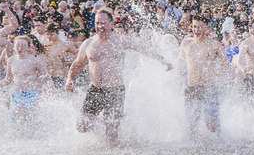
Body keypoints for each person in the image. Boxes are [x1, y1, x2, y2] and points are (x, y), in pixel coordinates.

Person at [65, 9, 173, 145]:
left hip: (115, 91)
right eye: (98, 23)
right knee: (81, 125)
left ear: (111, 23)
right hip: (95, 90)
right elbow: (77, 64)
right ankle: (101, 129)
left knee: (112, 135)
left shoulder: (120, 41)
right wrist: (69, 79)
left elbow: (142, 47)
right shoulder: (89, 43)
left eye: (103, 23)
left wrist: (162, 59)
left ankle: (113, 153)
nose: (100, 26)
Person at [178, 17, 231, 137]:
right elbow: (179, 64)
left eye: (200, 26)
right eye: (194, 26)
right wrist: (179, 81)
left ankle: (220, 141)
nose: (197, 29)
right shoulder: (186, 43)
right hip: (191, 88)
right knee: (191, 124)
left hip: (209, 88)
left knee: (212, 125)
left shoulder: (214, 44)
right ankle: (193, 148)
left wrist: (229, 75)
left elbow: (225, 63)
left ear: (207, 28)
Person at [0, 35, 52, 124]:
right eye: (18, 46)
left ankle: (31, 130)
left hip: (31, 94)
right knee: (15, 114)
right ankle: (18, 135)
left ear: (28, 48)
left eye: (23, 46)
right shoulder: (11, 61)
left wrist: (51, 91)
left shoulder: (34, 61)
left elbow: (47, 76)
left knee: (19, 111)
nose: (20, 48)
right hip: (17, 94)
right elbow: (7, 79)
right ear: (14, 47)